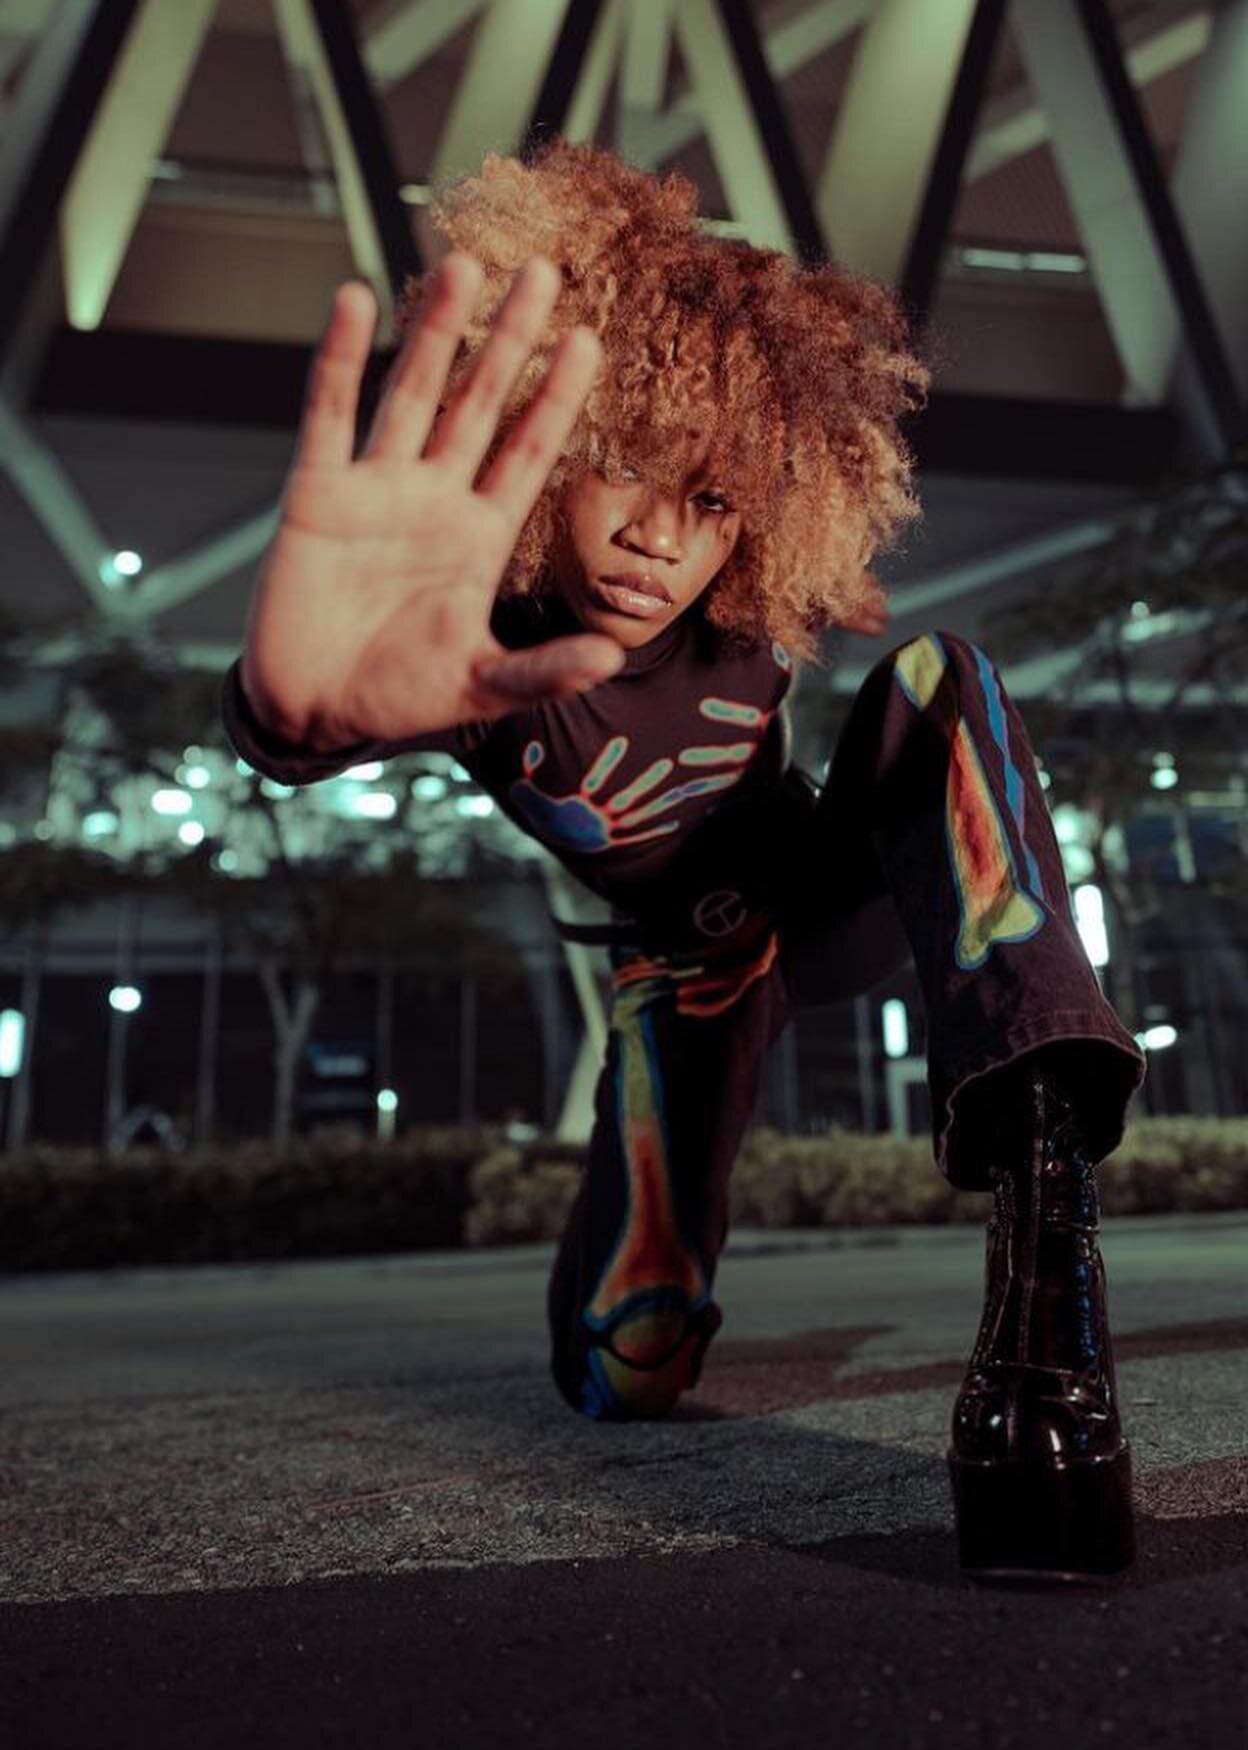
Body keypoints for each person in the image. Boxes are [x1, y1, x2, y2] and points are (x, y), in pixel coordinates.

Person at [222, 141, 1146, 1580]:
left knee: (939, 678)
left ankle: (1045, 1229)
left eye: (715, 500)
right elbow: (331, 708)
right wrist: (284, 721)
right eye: (623, 468)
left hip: (825, 901)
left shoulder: (752, 600)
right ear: (550, 445)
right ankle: (640, 1276)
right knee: (625, 1369)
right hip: (689, 971)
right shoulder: (491, 644)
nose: (661, 533)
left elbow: (874, 678)